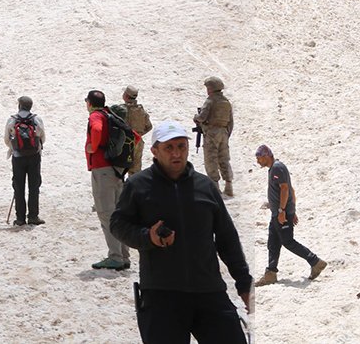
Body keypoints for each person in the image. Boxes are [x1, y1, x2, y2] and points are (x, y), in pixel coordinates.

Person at [110, 121, 252, 344]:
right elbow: (118, 224)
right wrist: (148, 237)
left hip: (209, 291)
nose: (176, 153)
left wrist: (244, 282)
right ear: (154, 151)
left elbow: (227, 238)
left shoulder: (205, 186)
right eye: (169, 148)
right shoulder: (138, 186)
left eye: (181, 146)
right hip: (161, 295)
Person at [253, 145, 326, 287]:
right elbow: (291, 189)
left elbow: (286, 189)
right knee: (273, 243)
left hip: (281, 213)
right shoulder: (274, 168)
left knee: (288, 242)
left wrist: (283, 211)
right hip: (278, 213)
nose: (258, 161)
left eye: (259, 158)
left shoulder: (277, 168)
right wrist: (291, 210)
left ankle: (315, 262)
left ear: (267, 156)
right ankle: (271, 273)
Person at [86, 89, 130, 270]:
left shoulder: (96, 116)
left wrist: (93, 147)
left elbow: (96, 129)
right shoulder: (109, 114)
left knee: (106, 214)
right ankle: (124, 255)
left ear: (89, 103)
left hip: (102, 169)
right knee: (119, 213)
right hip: (117, 169)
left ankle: (115, 256)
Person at [4, 95, 45, 225]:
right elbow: (42, 138)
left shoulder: (12, 120)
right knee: (34, 186)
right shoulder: (37, 119)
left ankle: (20, 218)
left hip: (17, 157)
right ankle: (33, 216)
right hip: (34, 156)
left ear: (19, 106)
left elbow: (6, 139)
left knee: (18, 186)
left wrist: (14, 148)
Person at [192, 76, 234, 197]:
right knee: (224, 158)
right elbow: (231, 122)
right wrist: (226, 134)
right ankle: (229, 185)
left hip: (211, 133)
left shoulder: (210, 101)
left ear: (211, 89)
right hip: (224, 133)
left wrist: (196, 117)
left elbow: (202, 117)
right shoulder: (226, 102)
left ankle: (215, 187)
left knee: (211, 159)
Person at [122, 86, 153, 177]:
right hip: (138, 142)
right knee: (135, 172)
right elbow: (149, 126)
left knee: (120, 170)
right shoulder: (141, 111)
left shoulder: (122, 110)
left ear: (126, 96)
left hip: (124, 143)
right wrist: (138, 134)